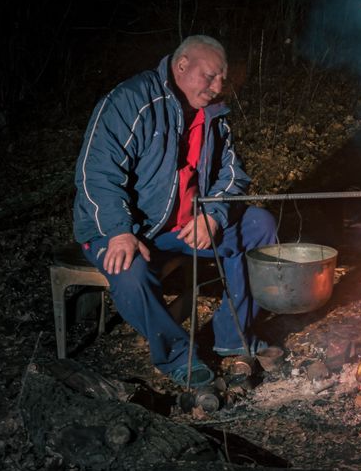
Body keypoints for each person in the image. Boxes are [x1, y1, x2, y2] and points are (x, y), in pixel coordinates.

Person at [72, 35, 276, 387]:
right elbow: (96, 171)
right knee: (128, 269)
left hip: (183, 228)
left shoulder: (212, 114)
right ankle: (177, 356)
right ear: (181, 66)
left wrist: (212, 215)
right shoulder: (130, 101)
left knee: (260, 226)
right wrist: (119, 230)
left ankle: (233, 335)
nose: (217, 87)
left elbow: (233, 174)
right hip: (123, 228)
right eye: (209, 76)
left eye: (222, 79)